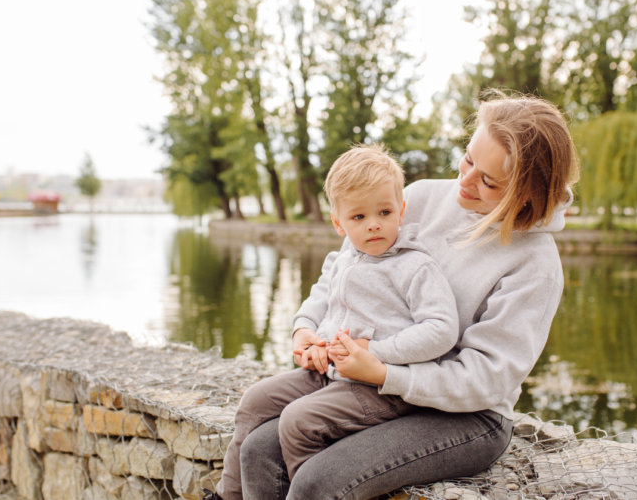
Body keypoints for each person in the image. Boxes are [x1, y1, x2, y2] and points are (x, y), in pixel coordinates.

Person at [214, 91, 580, 500]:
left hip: (467, 415)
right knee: (259, 450)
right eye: (468, 159)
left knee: (318, 481)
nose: (465, 180)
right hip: (374, 383)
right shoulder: (419, 199)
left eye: (488, 181)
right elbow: (340, 272)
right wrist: (311, 333)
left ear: (528, 193)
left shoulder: (535, 265)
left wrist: (384, 374)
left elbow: (484, 380)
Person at [210, 144, 460, 500]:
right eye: (358, 218)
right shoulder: (344, 259)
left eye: (384, 212)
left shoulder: (415, 267)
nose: (373, 224)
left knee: (299, 421)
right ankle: (226, 497)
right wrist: (304, 331)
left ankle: (311, 492)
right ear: (338, 222)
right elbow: (318, 299)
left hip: (377, 386)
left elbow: (441, 330)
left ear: (401, 212)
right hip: (328, 372)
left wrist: (374, 352)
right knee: (254, 401)